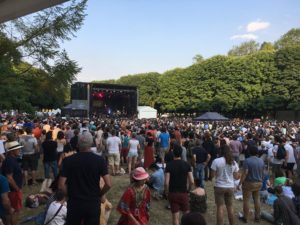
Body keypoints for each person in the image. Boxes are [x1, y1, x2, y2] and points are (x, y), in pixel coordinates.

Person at [58, 131, 112, 225]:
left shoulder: (68, 160)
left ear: (78, 145)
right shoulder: (99, 160)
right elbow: (108, 184)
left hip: (75, 203)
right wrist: (99, 194)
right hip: (93, 203)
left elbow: (61, 185)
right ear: (91, 144)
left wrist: (69, 194)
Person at [165, 144, 194, 225]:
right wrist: (188, 190)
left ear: (173, 153)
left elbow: (166, 183)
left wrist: (167, 192)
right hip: (183, 192)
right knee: (187, 216)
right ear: (181, 153)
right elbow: (192, 181)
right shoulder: (186, 164)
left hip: (173, 192)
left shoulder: (169, 165)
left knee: (175, 217)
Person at [210, 145, 239, 225]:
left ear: (220, 151)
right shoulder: (234, 162)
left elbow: (212, 175)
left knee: (220, 207)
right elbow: (236, 177)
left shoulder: (216, 161)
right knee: (230, 207)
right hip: (230, 186)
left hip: (219, 186)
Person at [238, 145, 265, 223]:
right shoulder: (261, 161)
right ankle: (257, 217)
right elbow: (263, 172)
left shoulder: (247, 160)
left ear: (249, 152)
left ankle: (245, 218)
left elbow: (245, 173)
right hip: (259, 182)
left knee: (246, 200)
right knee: (257, 200)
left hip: (249, 183)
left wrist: (240, 183)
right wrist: (262, 180)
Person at [1, 141, 23, 225]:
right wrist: (17, 189)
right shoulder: (10, 161)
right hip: (12, 191)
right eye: (17, 149)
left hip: (13, 190)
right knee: (13, 212)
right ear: (12, 151)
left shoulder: (12, 159)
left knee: (12, 212)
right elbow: (9, 178)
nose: (19, 150)